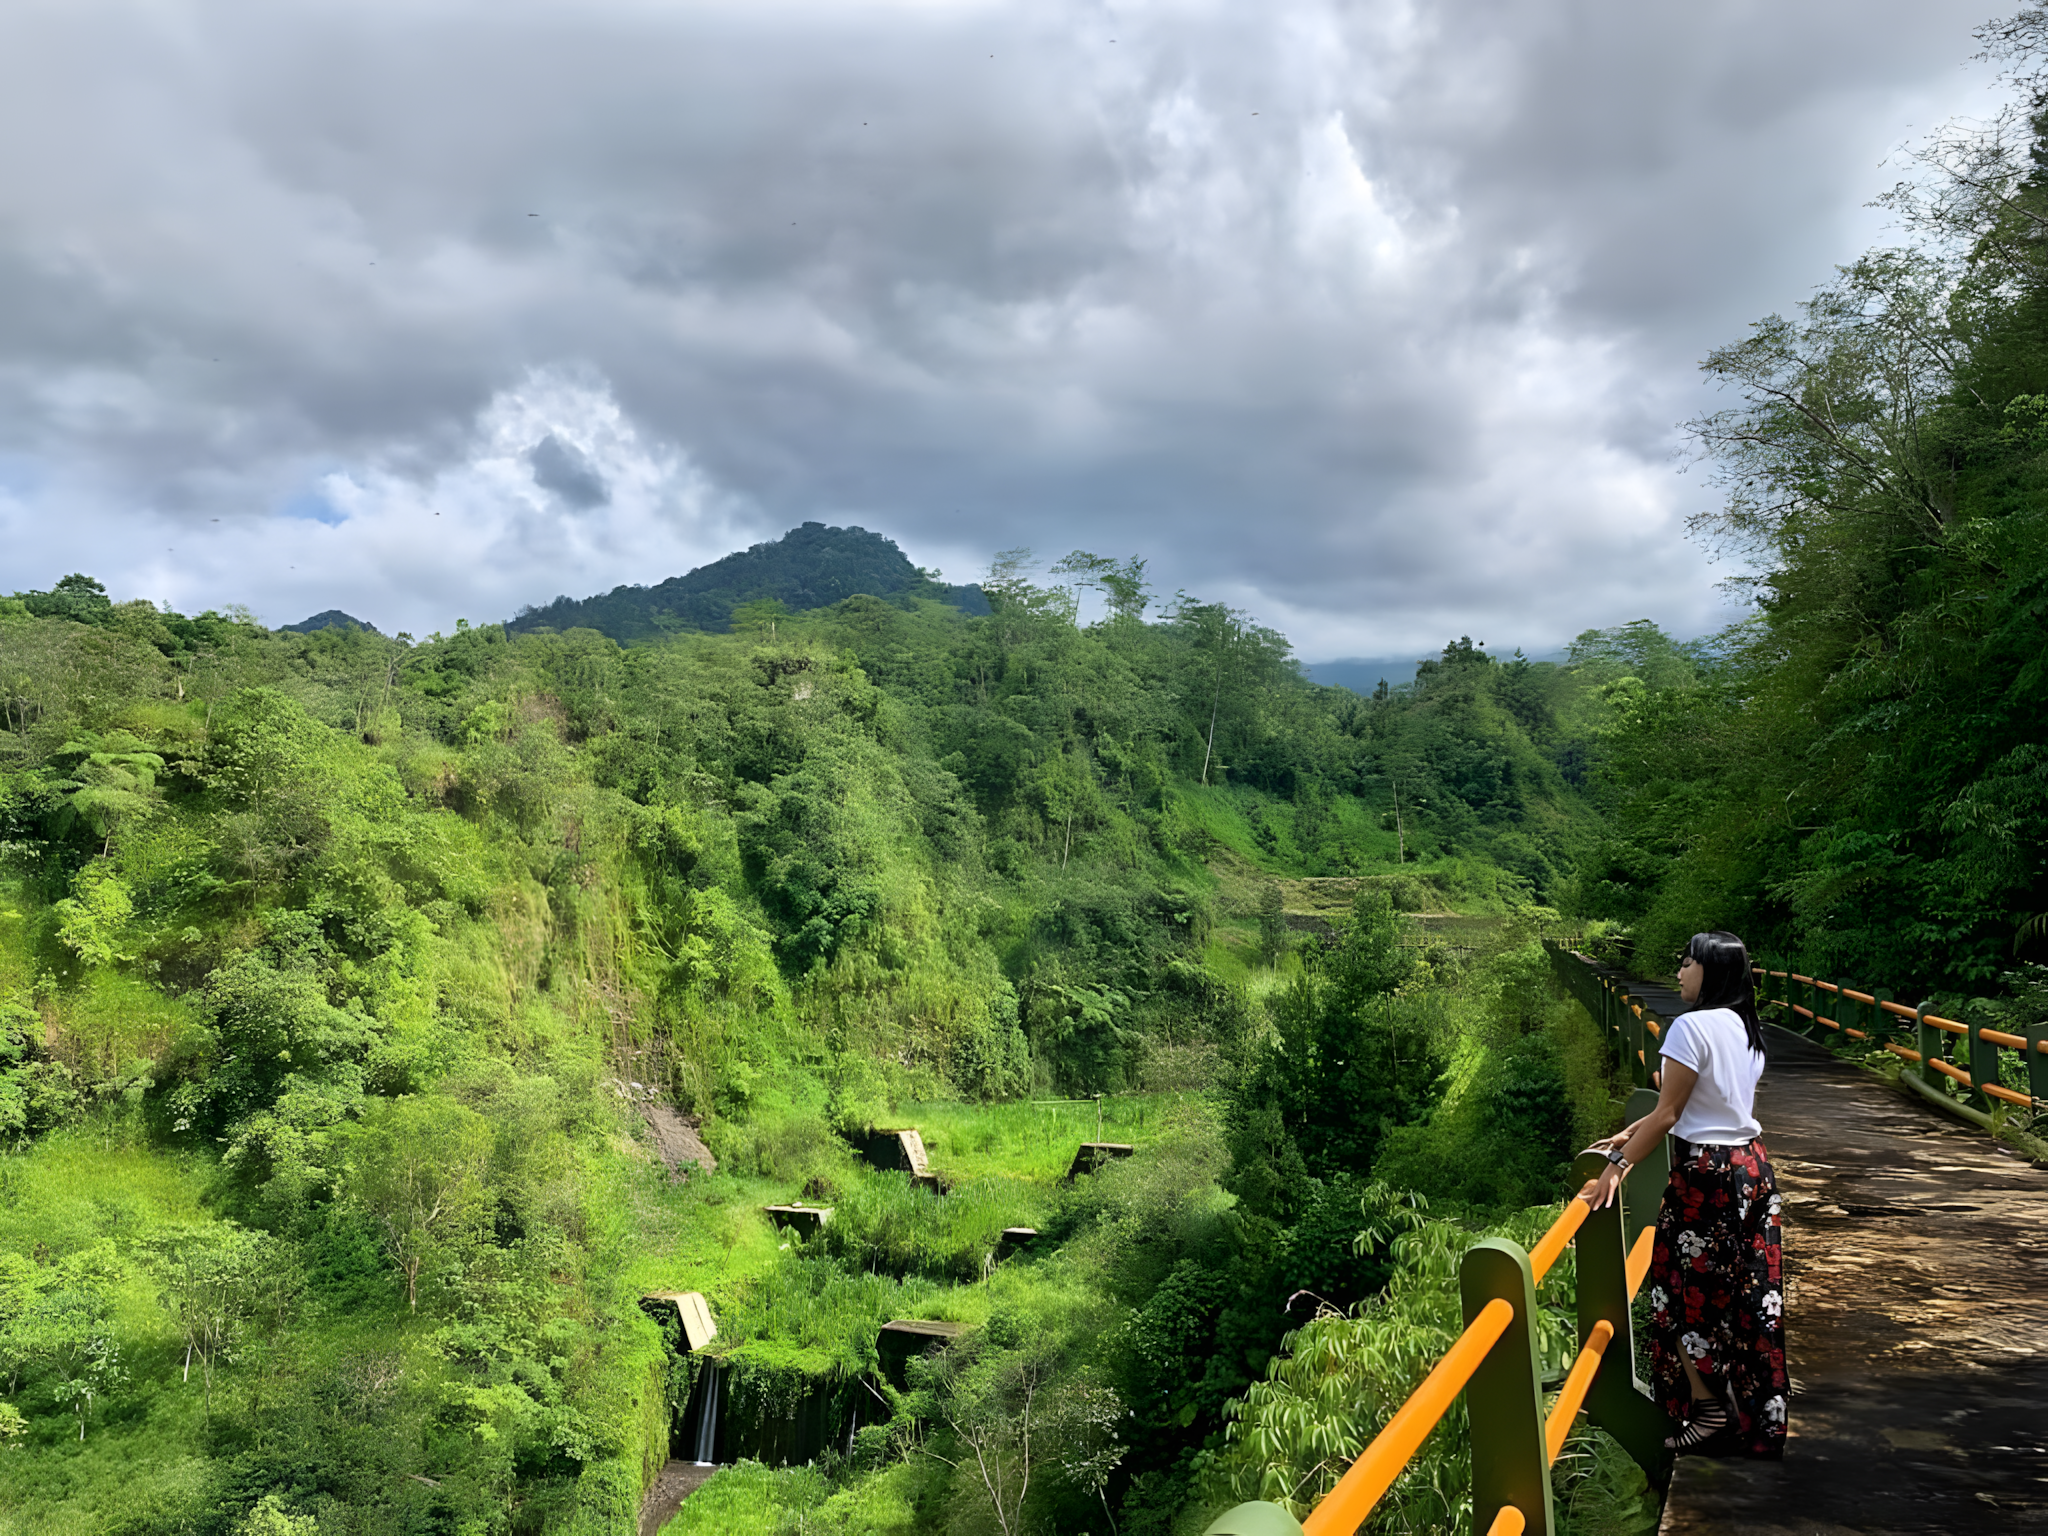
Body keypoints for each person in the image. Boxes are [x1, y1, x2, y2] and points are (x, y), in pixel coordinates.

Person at [1581, 930, 1787, 1457]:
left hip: (1705, 1176)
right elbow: (1711, 1106)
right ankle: (1761, 1418)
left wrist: (1617, 1165)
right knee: (1751, 1295)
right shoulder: (1746, 1028)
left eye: (1686, 963)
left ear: (1709, 972)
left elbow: (1672, 1113)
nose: (1678, 972)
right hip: (1752, 1168)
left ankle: (1710, 1409)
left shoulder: (1688, 1027)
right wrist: (1631, 1132)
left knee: (1675, 1294)